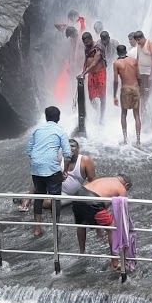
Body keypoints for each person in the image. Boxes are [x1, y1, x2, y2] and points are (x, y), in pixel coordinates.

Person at [28, 105, 70, 236]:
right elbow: (67, 154)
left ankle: (37, 229)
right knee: (55, 198)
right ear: (58, 118)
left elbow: (29, 150)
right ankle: (55, 228)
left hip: (36, 168)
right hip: (52, 168)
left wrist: (38, 161)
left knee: (39, 196)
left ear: (46, 117)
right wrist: (65, 170)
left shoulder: (37, 130)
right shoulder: (60, 131)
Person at [70, 174, 131, 263]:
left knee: (81, 224)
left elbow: (102, 208)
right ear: (126, 185)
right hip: (93, 201)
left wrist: (99, 232)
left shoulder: (107, 179)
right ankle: (114, 262)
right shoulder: (121, 188)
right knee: (112, 227)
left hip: (78, 195)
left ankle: (82, 252)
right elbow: (122, 213)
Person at [112, 43, 143, 147]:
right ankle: (138, 141)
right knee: (137, 115)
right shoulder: (134, 61)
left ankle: (125, 140)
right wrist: (141, 88)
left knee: (124, 114)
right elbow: (139, 76)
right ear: (126, 52)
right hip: (135, 88)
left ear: (117, 53)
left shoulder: (116, 63)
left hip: (125, 90)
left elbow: (116, 81)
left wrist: (114, 95)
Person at [82, 34, 107, 129]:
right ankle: (97, 112)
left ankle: (101, 118)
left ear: (91, 39)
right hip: (91, 75)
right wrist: (82, 72)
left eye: (87, 42)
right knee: (91, 97)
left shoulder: (99, 47)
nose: (86, 44)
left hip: (100, 74)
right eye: (84, 43)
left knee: (102, 97)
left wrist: (84, 73)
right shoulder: (86, 48)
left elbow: (94, 63)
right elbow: (86, 62)